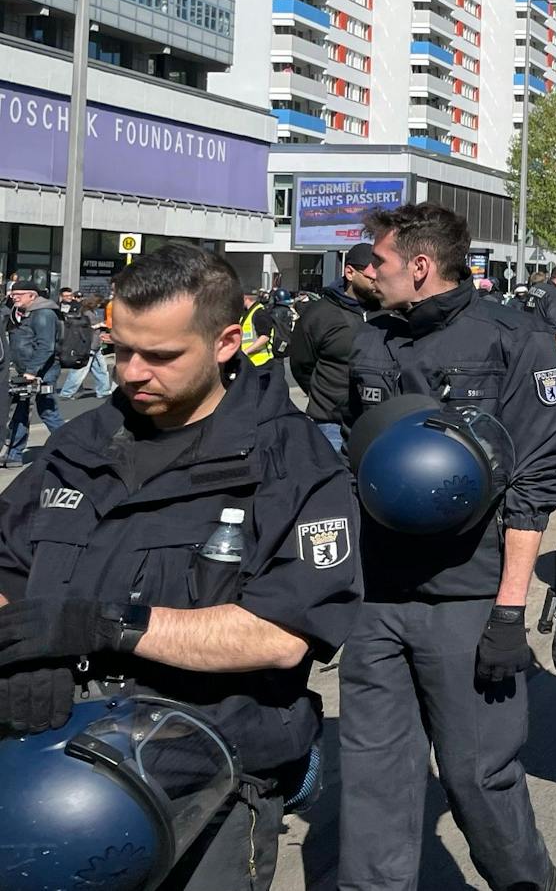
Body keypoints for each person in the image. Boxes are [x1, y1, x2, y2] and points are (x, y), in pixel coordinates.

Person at [0, 244, 361, 889]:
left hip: (206, 785)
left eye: (162, 356)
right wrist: (24, 657)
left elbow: (281, 633)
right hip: (50, 767)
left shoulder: (291, 461)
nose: (133, 373)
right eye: (121, 350)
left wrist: (108, 626)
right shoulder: (79, 444)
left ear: (225, 342)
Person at [339, 203, 556, 891]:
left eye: (376, 261)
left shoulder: (515, 339)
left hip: (468, 598)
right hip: (377, 596)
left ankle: (525, 882)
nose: (366, 272)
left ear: (419, 265)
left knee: (477, 775)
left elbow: (536, 480)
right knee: (373, 779)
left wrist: (509, 612)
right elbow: (357, 460)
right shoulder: (370, 341)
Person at [286, 242, 377, 453]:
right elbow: (301, 365)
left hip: (377, 424)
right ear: (350, 272)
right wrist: (324, 397)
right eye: (372, 278)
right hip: (331, 425)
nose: (377, 284)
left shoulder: (389, 310)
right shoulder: (318, 314)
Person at [4, 273, 63, 465]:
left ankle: (73, 447)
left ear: (32, 295)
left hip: (42, 371)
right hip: (26, 371)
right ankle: (14, 455)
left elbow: (46, 346)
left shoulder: (44, 313)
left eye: (18, 294)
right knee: (20, 411)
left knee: (47, 411)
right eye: (12, 294)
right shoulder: (19, 311)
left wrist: (32, 372)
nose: (14, 297)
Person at [238, 287, 275, 366]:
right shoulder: (246, 313)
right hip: (250, 361)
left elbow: (265, 336)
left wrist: (246, 351)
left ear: (245, 298)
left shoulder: (260, 313)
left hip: (261, 362)